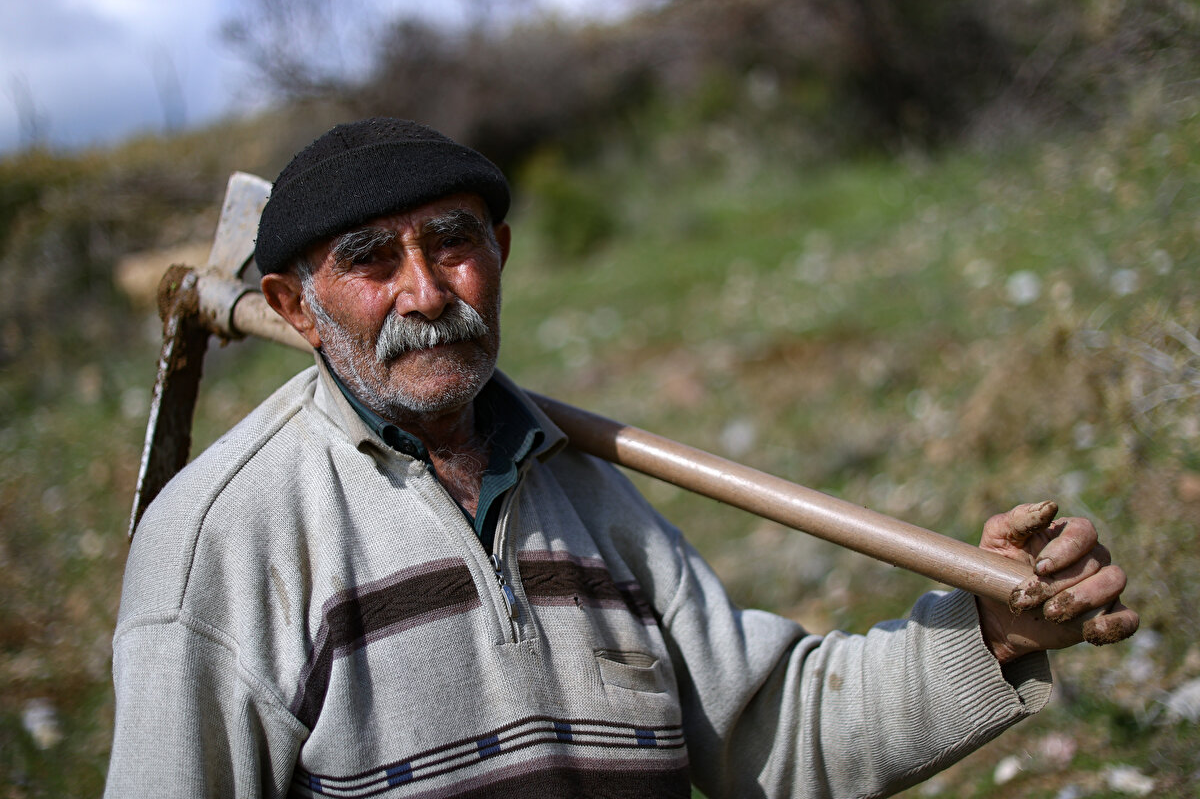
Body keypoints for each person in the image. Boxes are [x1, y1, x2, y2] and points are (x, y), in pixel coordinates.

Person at [105, 118, 1138, 798]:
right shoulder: (220, 541)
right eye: (370, 260)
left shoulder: (590, 489)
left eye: (450, 241)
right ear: (293, 306)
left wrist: (991, 634)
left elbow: (770, 732)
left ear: (499, 254)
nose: (426, 292)